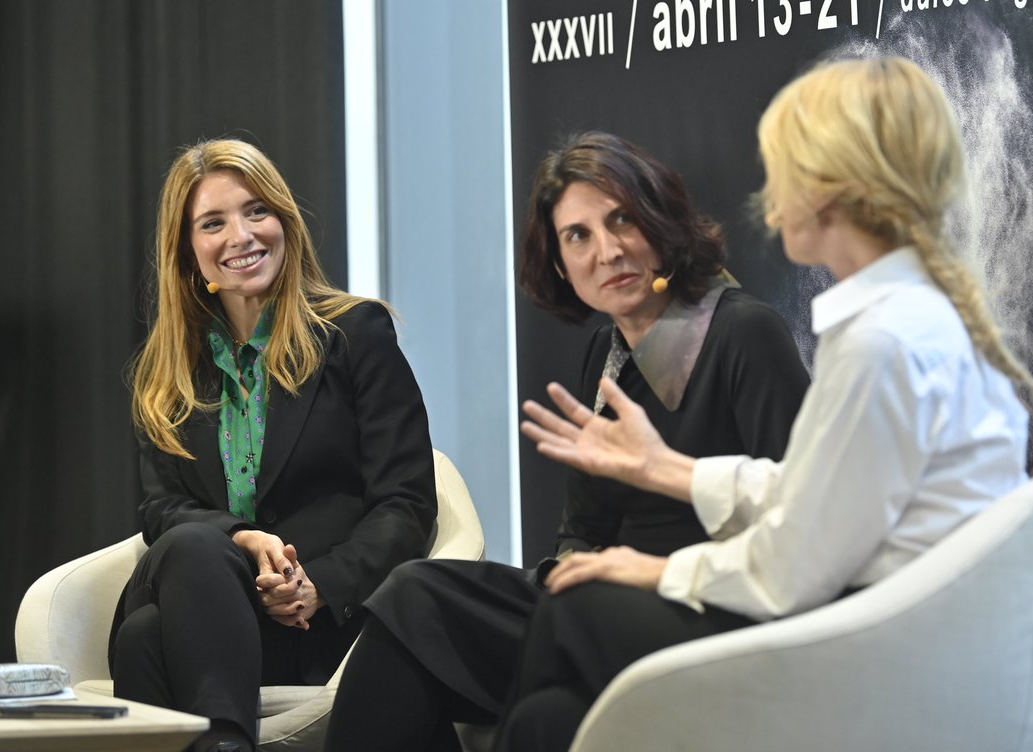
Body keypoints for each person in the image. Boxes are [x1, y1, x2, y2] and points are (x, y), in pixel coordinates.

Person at [510, 56, 1033, 751]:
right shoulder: (916, 319)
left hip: (872, 668)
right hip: (908, 646)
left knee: (576, 609)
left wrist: (652, 569)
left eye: (784, 170)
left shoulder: (877, 345)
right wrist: (670, 471)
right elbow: (822, 490)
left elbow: (791, 567)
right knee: (546, 722)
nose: (769, 199)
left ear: (834, 187)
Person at [324, 132, 811, 751]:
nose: (607, 251)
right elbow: (583, 525)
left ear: (659, 222)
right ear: (557, 262)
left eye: (622, 221)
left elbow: (798, 519)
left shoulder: (743, 333)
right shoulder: (604, 354)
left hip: (699, 606)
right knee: (415, 594)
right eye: (578, 236)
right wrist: (570, 567)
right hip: (594, 598)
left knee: (546, 702)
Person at [110, 138, 437, 752]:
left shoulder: (354, 334)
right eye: (214, 223)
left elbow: (407, 501)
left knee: (142, 637)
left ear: (285, 221)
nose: (242, 235)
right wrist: (241, 536)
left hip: (313, 618)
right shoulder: (169, 372)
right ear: (188, 253)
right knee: (193, 543)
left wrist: (319, 582)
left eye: (257, 211)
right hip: (205, 595)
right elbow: (161, 507)